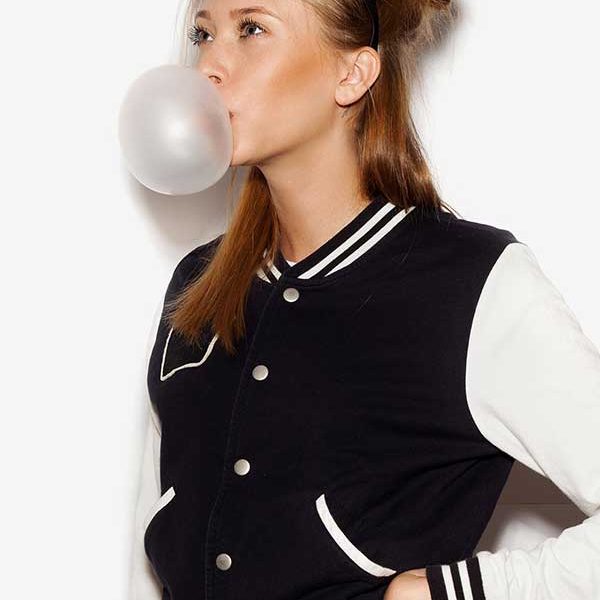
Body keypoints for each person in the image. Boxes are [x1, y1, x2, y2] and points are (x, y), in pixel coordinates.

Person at [128, 1, 600, 599]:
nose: (208, 68)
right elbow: (151, 554)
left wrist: (456, 591)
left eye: (251, 29)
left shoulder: (469, 285)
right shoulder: (196, 285)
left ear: (352, 74)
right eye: (203, 33)